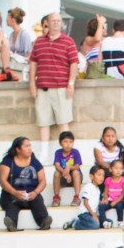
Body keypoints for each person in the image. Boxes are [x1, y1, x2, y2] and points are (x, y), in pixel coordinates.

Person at [27, 12, 78, 156]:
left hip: (61, 87)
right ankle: (44, 154)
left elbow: (73, 63)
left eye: (58, 21)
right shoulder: (39, 42)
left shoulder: (68, 41)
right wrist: (32, 83)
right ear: (47, 23)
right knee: (43, 122)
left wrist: (71, 83)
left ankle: (67, 153)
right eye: (53, 21)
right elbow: (33, 63)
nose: (56, 23)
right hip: (43, 87)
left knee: (63, 121)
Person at [0, 137, 51, 230]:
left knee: (38, 201)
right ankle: (11, 224)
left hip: (31, 194)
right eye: (26, 146)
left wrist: (35, 192)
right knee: (11, 204)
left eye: (30, 146)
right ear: (18, 149)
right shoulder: (8, 161)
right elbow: (3, 181)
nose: (30, 148)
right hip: (12, 194)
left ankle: (44, 222)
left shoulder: (34, 161)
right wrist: (15, 193)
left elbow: (43, 181)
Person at [51, 131, 84, 208]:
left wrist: (68, 168)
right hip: (64, 178)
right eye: (65, 142)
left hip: (75, 178)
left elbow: (77, 166)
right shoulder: (58, 152)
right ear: (60, 143)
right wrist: (66, 174)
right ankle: (56, 197)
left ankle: (76, 197)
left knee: (75, 172)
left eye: (70, 142)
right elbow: (57, 166)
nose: (68, 144)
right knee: (56, 173)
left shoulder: (75, 152)